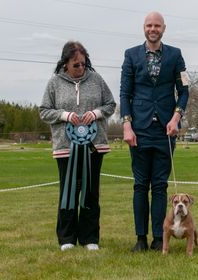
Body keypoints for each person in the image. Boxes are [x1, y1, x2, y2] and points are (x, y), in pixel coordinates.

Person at [120, 12, 189, 252]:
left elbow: (185, 91)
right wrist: (127, 125)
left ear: (164, 28)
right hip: (139, 130)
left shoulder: (175, 55)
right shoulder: (130, 55)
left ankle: (159, 238)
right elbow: (125, 94)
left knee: (160, 186)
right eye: (149, 25)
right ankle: (140, 238)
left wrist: (176, 117)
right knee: (140, 185)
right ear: (143, 28)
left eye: (157, 25)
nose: (153, 29)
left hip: (165, 131)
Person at [40, 41, 116, 251]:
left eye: (83, 64)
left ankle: (90, 238)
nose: (80, 68)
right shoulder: (54, 83)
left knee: (91, 192)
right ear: (65, 63)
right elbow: (44, 111)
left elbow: (110, 104)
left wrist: (96, 113)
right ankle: (67, 239)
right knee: (68, 192)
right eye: (76, 65)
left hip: (94, 146)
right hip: (65, 148)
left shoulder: (97, 79)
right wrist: (65, 115)